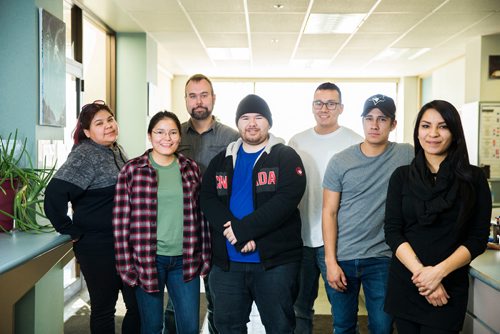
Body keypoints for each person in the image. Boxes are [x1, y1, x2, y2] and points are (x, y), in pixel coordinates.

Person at [200, 94, 306, 333]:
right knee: (227, 326)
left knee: (280, 327)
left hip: (274, 264)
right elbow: (206, 198)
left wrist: (244, 230)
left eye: (259, 117)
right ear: (238, 123)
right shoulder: (222, 159)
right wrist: (234, 232)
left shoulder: (285, 156)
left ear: (269, 122)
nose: (252, 123)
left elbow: (285, 201)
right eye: (245, 117)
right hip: (228, 265)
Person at [384, 100, 492, 333]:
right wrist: (424, 276)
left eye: (442, 126)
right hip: (408, 282)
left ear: (454, 132)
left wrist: (438, 273)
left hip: (449, 285)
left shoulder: (473, 179)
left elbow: (477, 238)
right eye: (425, 126)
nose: (432, 134)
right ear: (417, 132)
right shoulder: (401, 176)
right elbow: (393, 231)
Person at [44, 100, 140, 334]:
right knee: (104, 309)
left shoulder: (115, 149)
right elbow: (54, 194)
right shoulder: (86, 154)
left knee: (138, 307)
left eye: (110, 119)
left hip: (126, 244)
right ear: (87, 131)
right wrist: (68, 228)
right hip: (99, 247)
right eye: (99, 123)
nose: (108, 125)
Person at [322, 94, 414, 334]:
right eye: (369, 118)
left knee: (382, 327)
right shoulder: (340, 161)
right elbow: (329, 212)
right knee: (343, 326)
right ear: (362, 121)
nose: (374, 125)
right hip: (343, 256)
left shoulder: (406, 155)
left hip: (382, 257)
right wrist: (330, 262)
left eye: (382, 119)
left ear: (393, 124)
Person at [113, 111, 211, 334]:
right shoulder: (131, 171)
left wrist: (205, 256)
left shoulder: (191, 169)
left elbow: (201, 216)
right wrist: (126, 267)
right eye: (160, 132)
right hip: (148, 260)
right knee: (152, 327)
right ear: (150, 136)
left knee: (189, 327)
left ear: (179, 137)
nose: (166, 138)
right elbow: (120, 223)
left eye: (173, 132)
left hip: (185, 261)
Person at [162, 74, 239, 334]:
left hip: (218, 228)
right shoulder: (174, 134)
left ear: (213, 98)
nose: (199, 101)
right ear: (185, 100)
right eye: (192, 95)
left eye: (204, 95)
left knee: (219, 300)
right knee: (177, 302)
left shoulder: (232, 137)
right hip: (183, 229)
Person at [288, 82, 362, 333]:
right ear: (312, 106)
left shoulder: (355, 142)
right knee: (299, 311)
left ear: (341, 107)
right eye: (319, 103)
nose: (324, 108)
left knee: (342, 313)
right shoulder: (297, 141)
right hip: (300, 240)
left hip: (339, 242)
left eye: (331, 103)